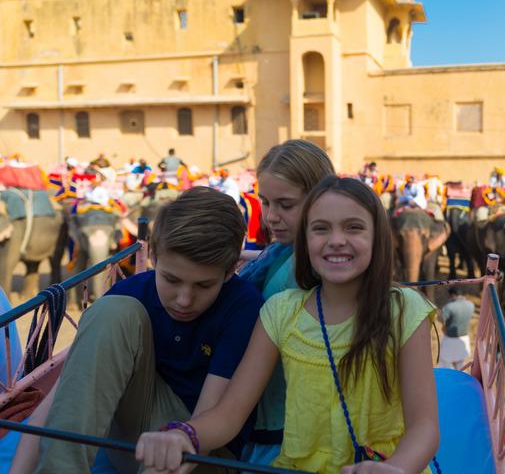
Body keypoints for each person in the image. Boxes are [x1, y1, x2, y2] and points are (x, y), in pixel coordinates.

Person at [135, 177, 440, 474]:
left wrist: (395, 468)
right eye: (320, 229)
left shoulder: (403, 309)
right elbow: (230, 413)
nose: (336, 240)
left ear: (378, 237)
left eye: (354, 228)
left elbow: (424, 426)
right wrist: (183, 434)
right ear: (304, 241)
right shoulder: (280, 312)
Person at [10, 187, 264, 473]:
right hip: (134, 439)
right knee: (113, 311)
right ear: (153, 255)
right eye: (171, 279)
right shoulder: (129, 293)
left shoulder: (243, 307)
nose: (184, 299)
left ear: (230, 271)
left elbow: (212, 420)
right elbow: (64, 397)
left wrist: (182, 438)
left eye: (204, 285)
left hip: (201, 448)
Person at [237, 139, 335, 467]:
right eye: (265, 203)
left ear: (320, 201)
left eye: (286, 205)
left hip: (282, 430)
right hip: (268, 414)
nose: (271, 217)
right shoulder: (282, 253)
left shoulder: (306, 266)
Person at [437, 286, 474, 370]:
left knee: (445, 363)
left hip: (450, 338)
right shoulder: (470, 305)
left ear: (453, 295)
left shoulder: (449, 307)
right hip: (464, 338)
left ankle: (448, 382)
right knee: (460, 364)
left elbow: (441, 318)